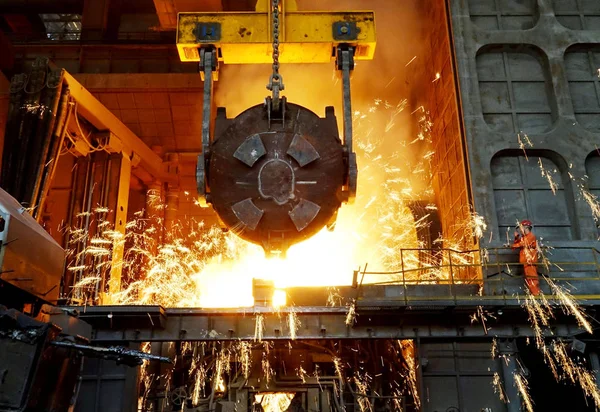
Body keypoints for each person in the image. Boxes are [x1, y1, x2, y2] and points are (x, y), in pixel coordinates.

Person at [512, 219, 540, 295]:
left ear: (526, 227)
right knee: (529, 279)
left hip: (530, 261)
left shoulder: (531, 236)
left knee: (532, 278)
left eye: (521, 228)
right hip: (526, 262)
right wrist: (516, 238)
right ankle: (533, 294)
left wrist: (513, 245)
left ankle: (536, 294)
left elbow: (523, 244)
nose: (520, 230)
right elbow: (516, 245)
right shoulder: (524, 237)